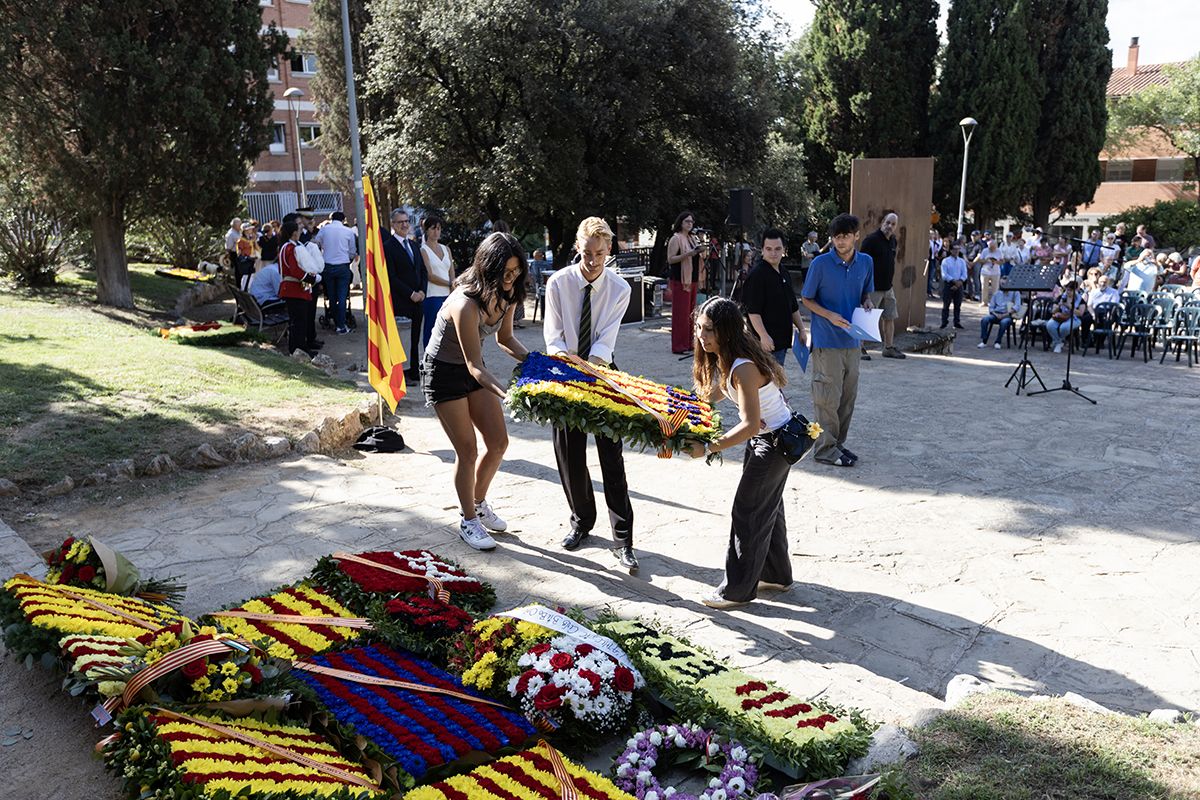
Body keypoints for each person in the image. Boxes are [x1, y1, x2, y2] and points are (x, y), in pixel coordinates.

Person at [421, 232, 529, 552]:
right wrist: (507, 394)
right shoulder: (464, 302)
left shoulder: (508, 294)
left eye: (516, 272)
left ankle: (479, 503)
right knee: (467, 450)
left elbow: (505, 339)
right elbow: (473, 366)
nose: (511, 279)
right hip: (445, 372)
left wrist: (539, 362)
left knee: (498, 442)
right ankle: (468, 520)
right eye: (506, 273)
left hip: (473, 368)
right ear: (489, 269)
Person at [686, 296, 796, 609]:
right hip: (769, 441)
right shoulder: (729, 359)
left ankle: (736, 591)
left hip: (774, 444)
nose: (702, 336)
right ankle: (777, 575)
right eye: (699, 328)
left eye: (709, 330)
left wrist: (708, 447)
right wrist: (673, 410)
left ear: (727, 331)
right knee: (767, 508)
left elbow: (749, 425)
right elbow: (710, 396)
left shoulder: (743, 367)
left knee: (747, 512)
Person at [544, 217, 638, 572]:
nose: (593, 261)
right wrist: (565, 362)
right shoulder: (558, 283)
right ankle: (581, 520)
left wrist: (591, 367)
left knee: (611, 456)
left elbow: (606, 338)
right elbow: (553, 335)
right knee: (569, 454)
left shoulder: (619, 288)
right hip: (565, 370)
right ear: (578, 249)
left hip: (602, 371)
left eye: (599, 254)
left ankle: (623, 538)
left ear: (609, 250)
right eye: (586, 253)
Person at [800, 213, 873, 468]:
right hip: (826, 341)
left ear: (856, 236)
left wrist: (867, 302)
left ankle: (837, 445)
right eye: (836, 237)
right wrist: (829, 315)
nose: (840, 242)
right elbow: (806, 299)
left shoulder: (866, 262)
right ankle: (824, 449)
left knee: (847, 397)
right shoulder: (820, 264)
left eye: (845, 236)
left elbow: (866, 292)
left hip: (853, 341)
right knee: (826, 398)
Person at [743, 228, 806, 365]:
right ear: (762, 250)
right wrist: (763, 335)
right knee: (765, 384)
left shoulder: (784, 272)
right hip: (763, 344)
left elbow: (793, 305)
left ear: (784, 249)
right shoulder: (757, 275)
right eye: (769, 249)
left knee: (776, 383)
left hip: (781, 341)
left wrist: (801, 329)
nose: (773, 253)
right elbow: (753, 311)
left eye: (777, 249)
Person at [383, 208, 426, 382]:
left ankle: (414, 370)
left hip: (419, 300)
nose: (405, 225)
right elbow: (391, 277)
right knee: (402, 340)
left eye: (407, 221)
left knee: (415, 337)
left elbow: (422, 271)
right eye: (400, 222)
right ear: (393, 225)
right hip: (401, 301)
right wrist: (410, 294)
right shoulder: (388, 247)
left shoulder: (414, 245)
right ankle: (401, 373)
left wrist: (422, 291)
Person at [859, 211, 905, 359]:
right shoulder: (871, 240)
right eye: (887, 223)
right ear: (882, 222)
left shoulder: (893, 240)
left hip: (888, 287)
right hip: (873, 287)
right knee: (867, 318)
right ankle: (859, 348)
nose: (889, 226)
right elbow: (862, 264)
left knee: (890, 317)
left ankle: (888, 347)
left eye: (893, 224)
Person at [277, 220, 322, 356]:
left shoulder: (290, 246)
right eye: (298, 229)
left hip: (295, 288)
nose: (301, 231)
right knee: (298, 322)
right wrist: (312, 278)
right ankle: (299, 350)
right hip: (294, 288)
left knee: (299, 321)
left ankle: (299, 348)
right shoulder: (290, 248)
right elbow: (295, 270)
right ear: (294, 233)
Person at [313, 211, 357, 334]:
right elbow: (352, 251)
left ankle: (335, 320)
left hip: (327, 266)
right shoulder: (348, 231)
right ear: (343, 220)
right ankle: (341, 325)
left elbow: (316, 243)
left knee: (331, 296)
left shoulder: (324, 230)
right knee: (343, 297)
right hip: (343, 265)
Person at [666, 211, 702, 354]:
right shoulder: (676, 238)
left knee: (691, 313)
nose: (690, 224)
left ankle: (688, 343)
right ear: (680, 222)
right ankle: (678, 345)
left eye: (692, 222)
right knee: (681, 314)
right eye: (687, 221)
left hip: (692, 279)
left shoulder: (692, 238)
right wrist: (688, 254)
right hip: (680, 280)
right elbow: (671, 259)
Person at [420, 215, 455, 351]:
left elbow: (451, 270)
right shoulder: (424, 250)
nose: (436, 232)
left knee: (448, 330)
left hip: (448, 295)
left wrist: (453, 287)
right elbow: (430, 275)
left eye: (439, 229)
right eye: (433, 228)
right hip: (432, 295)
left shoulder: (446, 249)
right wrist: (449, 283)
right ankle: (428, 358)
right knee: (431, 329)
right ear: (427, 230)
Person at [1046, 281, 1085, 353]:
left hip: (1074, 318)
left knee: (1064, 328)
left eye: (1070, 290)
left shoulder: (1080, 300)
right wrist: (1059, 306)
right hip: (1060, 317)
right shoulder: (1061, 297)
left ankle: (1058, 342)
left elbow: (1080, 313)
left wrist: (1069, 306)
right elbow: (1053, 311)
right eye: (1067, 289)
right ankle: (1059, 342)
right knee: (1050, 325)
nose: (1068, 292)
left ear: (1075, 290)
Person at [939, 243, 968, 329]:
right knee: (946, 305)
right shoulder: (946, 261)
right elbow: (944, 274)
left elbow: (964, 274)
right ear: (951, 250)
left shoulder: (961, 261)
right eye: (955, 249)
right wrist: (953, 281)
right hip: (949, 284)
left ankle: (957, 322)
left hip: (959, 284)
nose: (956, 251)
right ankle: (944, 322)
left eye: (958, 249)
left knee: (957, 305)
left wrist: (960, 282)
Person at [975, 236, 1003, 306]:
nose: (992, 249)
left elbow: (1002, 261)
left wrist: (996, 262)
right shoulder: (985, 251)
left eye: (993, 247)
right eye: (990, 247)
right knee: (984, 287)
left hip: (995, 272)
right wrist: (986, 260)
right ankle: (984, 302)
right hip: (985, 271)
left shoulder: (999, 251)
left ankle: (994, 302)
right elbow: (980, 260)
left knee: (995, 288)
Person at [926, 229, 943, 297]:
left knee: (931, 276)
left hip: (933, 260)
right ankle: (928, 291)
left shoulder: (935, 242)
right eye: (931, 234)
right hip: (929, 260)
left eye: (933, 234)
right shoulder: (928, 242)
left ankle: (929, 291)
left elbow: (938, 250)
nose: (932, 235)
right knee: (929, 276)